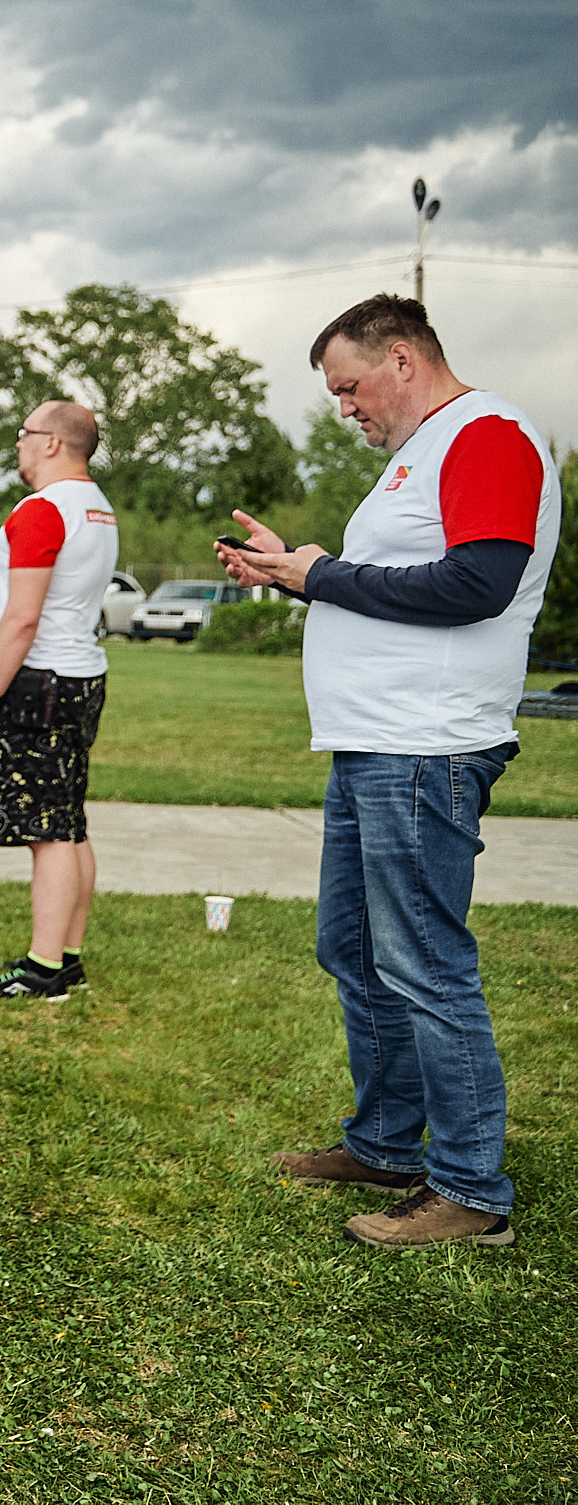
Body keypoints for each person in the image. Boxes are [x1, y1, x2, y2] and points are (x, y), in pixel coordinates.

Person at [223, 295, 558, 1251]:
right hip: (376, 740)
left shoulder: (486, 435)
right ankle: (385, 1144)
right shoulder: (425, 452)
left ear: (401, 359)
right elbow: (389, 585)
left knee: (423, 963)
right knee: (355, 948)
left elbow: (476, 583)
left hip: (426, 744)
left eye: (350, 388)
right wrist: (296, 571)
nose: (346, 409)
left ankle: (468, 1189)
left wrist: (321, 575)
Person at [0, 401, 117, 1001]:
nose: (18, 445)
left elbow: (21, 619)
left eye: (24, 434)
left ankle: (44, 968)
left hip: (37, 684)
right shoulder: (98, 508)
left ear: (51, 442)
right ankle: (68, 956)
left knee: (47, 831)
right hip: (80, 677)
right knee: (70, 821)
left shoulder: (42, 510)